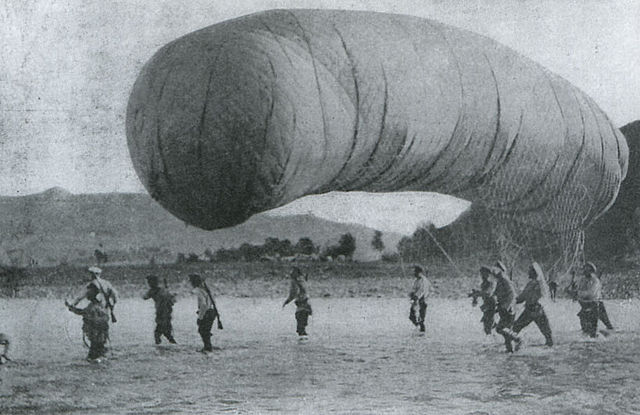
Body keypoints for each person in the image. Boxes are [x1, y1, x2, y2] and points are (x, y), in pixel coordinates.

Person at [510, 262, 553, 349]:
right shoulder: (534, 283)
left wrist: (513, 300)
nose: (528, 273)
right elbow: (522, 298)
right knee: (547, 333)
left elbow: (523, 297)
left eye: (530, 271)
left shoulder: (535, 284)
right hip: (536, 310)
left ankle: (517, 344)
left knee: (515, 328)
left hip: (532, 310)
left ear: (534, 272)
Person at [65, 284, 110, 361]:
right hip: (101, 332)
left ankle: (97, 358)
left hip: (96, 332)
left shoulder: (93, 307)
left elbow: (82, 312)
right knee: (98, 349)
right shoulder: (99, 305)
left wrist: (71, 308)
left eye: (89, 293)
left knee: (93, 352)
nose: (87, 295)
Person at [189, 274, 222, 353]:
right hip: (212, 312)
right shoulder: (206, 290)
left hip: (206, 313)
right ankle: (208, 346)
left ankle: (207, 347)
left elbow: (203, 305)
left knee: (202, 330)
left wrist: (200, 317)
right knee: (205, 331)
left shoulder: (198, 290)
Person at [143, 275, 177, 344]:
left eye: (149, 282)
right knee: (165, 333)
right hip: (164, 313)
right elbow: (172, 300)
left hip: (163, 314)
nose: (148, 284)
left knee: (159, 333)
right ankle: (172, 346)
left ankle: (161, 348)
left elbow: (144, 297)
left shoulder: (154, 291)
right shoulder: (162, 290)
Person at [492, 265, 519, 352]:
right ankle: (510, 350)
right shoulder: (500, 280)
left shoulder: (504, 280)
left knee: (500, 328)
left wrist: (506, 306)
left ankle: (517, 339)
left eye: (495, 270)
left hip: (508, 309)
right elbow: (495, 293)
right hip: (504, 309)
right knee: (505, 331)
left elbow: (512, 294)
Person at [283, 267, 313, 336]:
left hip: (301, 306)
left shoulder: (295, 281)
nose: (290, 274)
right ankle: (304, 342)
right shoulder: (302, 279)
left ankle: (302, 343)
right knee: (303, 327)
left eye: (292, 272)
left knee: (300, 328)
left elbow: (294, 293)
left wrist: (286, 302)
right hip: (307, 305)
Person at [576, 262, 603, 337]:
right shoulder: (583, 280)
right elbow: (580, 290)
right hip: (584, 305)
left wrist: (577, 293)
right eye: (584, 269)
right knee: (584, 328)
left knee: (592, 329)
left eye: (587, 269)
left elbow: (591, 293)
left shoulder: (595, 281)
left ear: (591, 270)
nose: (584, 271)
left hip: (593, 305)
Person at [469, 266, 497, 335]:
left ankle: (493, 337)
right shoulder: (483, 284)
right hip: (486, 304)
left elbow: (488, 293)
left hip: (491, 304)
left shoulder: (491, 283)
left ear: (488, 274)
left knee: (488, 324)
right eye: (481, 274)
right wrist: (475, 296)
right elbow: (483, 293)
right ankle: (494, 335)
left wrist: (477, 294)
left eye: (483, 274)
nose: (482, 275)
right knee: (487, 324)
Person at [408, 265, 430, 332]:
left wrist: (416, 297)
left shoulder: (424, 280)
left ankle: (421, 331)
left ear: (419, 272)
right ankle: (418, 328)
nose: (414, 274)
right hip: (416, 300)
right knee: (411, 316)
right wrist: (411, 294)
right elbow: (414, 289)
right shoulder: (417, 280)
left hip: (422, 301)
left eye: (415, 272)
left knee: (421, 319)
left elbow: (422, 291)